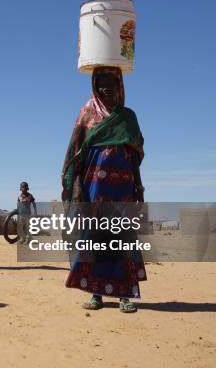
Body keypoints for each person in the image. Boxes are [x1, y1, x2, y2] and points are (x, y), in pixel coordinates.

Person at [61, 66, 145, 313]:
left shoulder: (127, 117)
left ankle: (125, 295)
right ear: (95, 86)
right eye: (101, 84)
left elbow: (134, 156)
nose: (106, 88)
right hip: (93, 187)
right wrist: (76, 185)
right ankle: (96, 293)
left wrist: (139, 185)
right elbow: (75, 156)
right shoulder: (87, 114)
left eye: (111, 83)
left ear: (120, 85)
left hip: (123, 188)